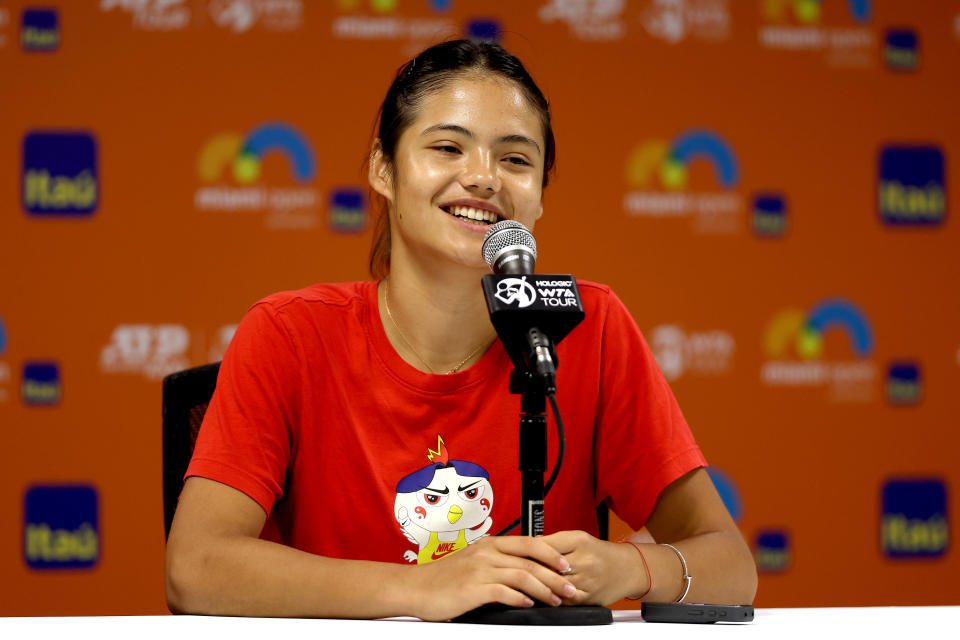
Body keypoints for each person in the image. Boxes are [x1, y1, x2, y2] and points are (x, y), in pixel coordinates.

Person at [165, 39, 757, 621]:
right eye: (448, 148)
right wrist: (423, 589)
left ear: (541, 197)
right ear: (382, 168)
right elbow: (196, 567)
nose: (484, 178)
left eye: (516, 159)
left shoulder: (586, 326)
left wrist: (631, 568)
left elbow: (730, 564)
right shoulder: (289, 334)